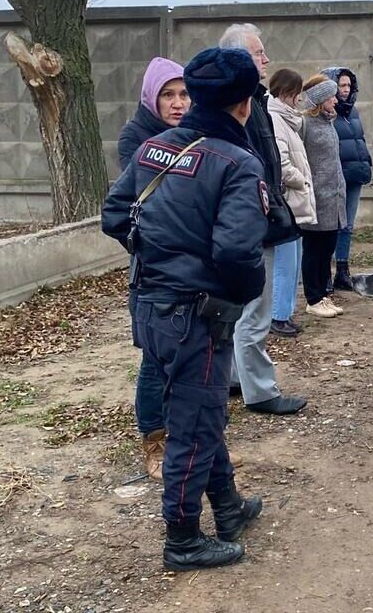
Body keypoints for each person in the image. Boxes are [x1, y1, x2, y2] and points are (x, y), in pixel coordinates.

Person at [102, 46, 269, 571]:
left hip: (149, 307)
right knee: (194, 426)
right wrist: (237, 292)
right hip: (198, 315)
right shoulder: (239, 163)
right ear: (243, 103)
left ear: (195, 95)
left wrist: (158, 257)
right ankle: (182, 538)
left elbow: (114, 216)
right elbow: (238, 254)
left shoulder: (153, 148)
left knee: (198, 413)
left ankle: (228, 506)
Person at [219, 23, 307, 416]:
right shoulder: (236, 105)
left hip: (259, 217)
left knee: (247, 308)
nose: (267, 60)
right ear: (238, 59)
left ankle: (237, 379)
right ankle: (261, 391)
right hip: (252, 222)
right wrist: (266, 206)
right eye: (259, 53)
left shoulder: (254, 101)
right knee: (255, 310)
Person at [116, 57, 189, 482]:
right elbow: (139, 201)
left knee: (190, 354)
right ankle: (154, 440)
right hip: (154, 264)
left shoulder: (194, 134)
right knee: (156, 356)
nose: (177, 103)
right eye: (168, 94)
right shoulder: (137, 137)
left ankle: (189, 437)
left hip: (192, 264)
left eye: (183, 94)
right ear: (151, 96)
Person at [267, 69, 315, 338]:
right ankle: (277, 316)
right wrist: (302, 182)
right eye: (296, 94)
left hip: (294, 202)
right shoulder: (276, 119)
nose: (299, 100)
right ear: (287, 93)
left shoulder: (288, 119)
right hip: (287, 201)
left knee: (294, 261)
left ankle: (285, 313)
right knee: (285, 263)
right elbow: (282, 164)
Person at [299, 74, 349, 317]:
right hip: (316, 196)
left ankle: (323, 295)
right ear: (320, 99)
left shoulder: (329, 122)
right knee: (313, 249)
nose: (336, 101)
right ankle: (313, 297)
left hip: (334, 196)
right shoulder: (305, 124)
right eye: (331, 96)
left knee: (328, 247)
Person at [322, 67, 373, 293]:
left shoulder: (353, 112)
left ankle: (342, 270)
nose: (345, 90)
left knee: (347, 226)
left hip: (354, 174)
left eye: (348, 86)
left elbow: (358, 140)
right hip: (334, 176)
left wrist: (365, 164)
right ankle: (323, 271)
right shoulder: (325, 114)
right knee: (328, 225)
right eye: (340, 85)